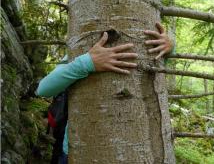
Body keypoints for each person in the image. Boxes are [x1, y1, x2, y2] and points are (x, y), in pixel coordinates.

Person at [36, 23, 173, 164]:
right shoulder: (78, 51)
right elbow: (44, 89)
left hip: (141, 151)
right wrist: (88, 62)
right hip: (78, 151)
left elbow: (158, 70)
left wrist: (170, 47)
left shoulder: (147, 44)